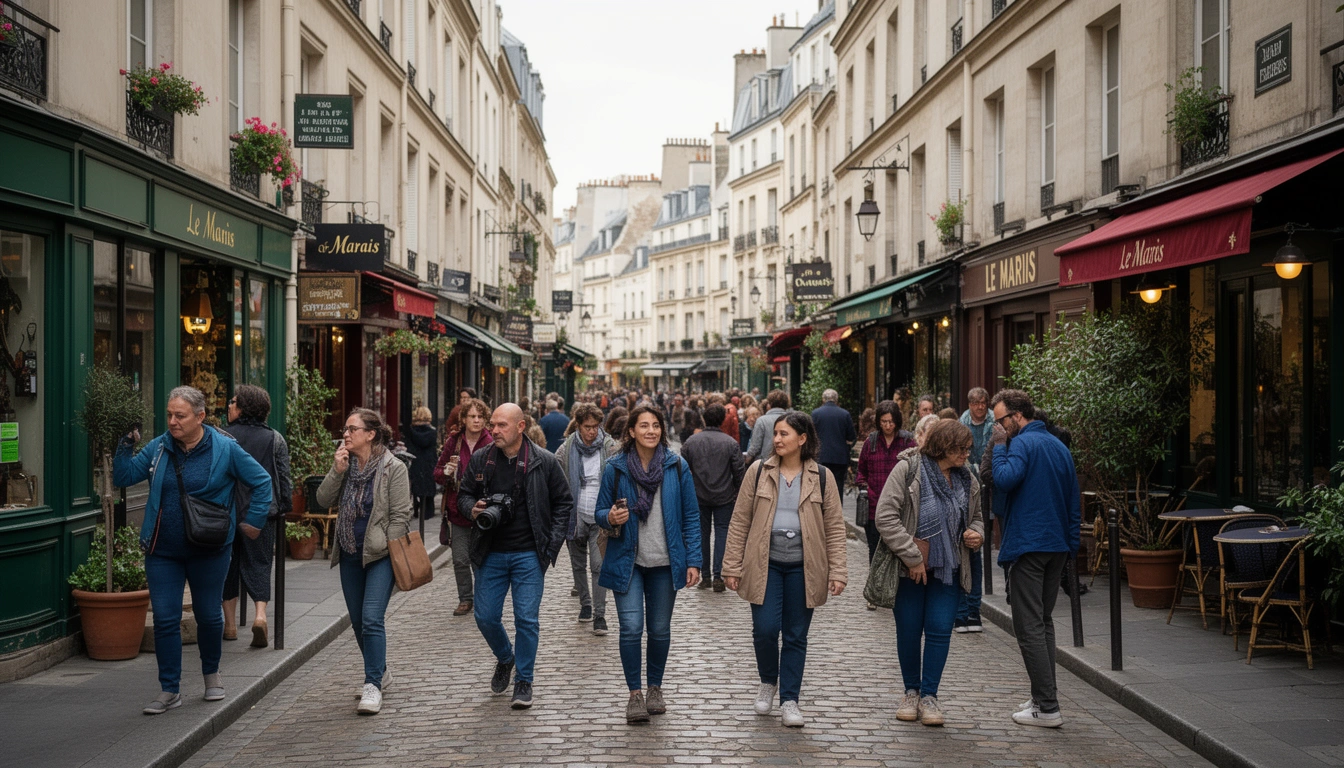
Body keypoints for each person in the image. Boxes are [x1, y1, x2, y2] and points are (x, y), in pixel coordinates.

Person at [115, 386, 273, 715]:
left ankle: (211, 676)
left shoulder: (225, 448)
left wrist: (254, 521)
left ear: (200, 417)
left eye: (180, 416)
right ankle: (169, 689)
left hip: (210, 548)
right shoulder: (160, 447)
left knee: (209, 616)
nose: (172, 421)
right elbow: (124, 475)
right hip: (162, 550)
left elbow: (261, 481)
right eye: (170, 415)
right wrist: (126, 443)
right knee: (166, 618)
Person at [722, 411, 847, 728]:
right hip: (765, 562)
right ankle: (768, 680)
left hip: (804, 566)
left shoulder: (822, 476)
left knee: (795, 635)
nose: (776, 439)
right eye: (775, 433)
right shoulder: (758, 472)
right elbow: (739, 521)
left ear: (802, 439)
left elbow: (834, 527)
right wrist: (732, 566)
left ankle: (790, 699)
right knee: (764, 630)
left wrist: (837, 571)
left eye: (784, 434)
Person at [457, 404, 574, 710]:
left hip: (528, 555)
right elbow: (463, 494)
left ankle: (524, 680)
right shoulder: (483, 459)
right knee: (484, 617)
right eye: (492, 425)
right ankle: (505, 658)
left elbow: (564, 503)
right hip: (490, 552)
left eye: (501, 425)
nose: (493, 430)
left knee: (526, 619)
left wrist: (550, 547)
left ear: (521, 427)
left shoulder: (544, 461)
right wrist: (472, 508)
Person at [595, 405, 702, 723]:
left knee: (658, 630)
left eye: (656, 425)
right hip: (627, 560)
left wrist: (693, 560)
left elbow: (691, 517)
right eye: (644, 425)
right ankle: (634, 694)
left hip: (666, 562)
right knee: (630, 629)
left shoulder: (677, 466)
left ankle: (655, 687)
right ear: (631, 432)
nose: (651, 431)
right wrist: (610, 516)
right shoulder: (615, 468)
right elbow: (599, 511)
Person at [874, 419, 984, 728]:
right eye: (960, 449)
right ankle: (911, 692)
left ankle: (929, 696)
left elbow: (976, 517)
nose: (965, 454)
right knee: (909, 631)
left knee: (938, 630)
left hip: (948, 569)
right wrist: (911, 557)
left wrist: (976, 533)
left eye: (967, 449)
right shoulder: (909, 470)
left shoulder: (967, 478)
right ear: (943, 447)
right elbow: (885, 517)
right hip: (909, 570)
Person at [989, 388, 1080, 729]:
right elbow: (1074, 504)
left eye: (1001, 421)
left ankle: (1047, 705)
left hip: (1030, 545)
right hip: (1056, 546)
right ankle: (1042, 696)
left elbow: (1004, 479)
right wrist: (1072, 549)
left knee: (1029, 627)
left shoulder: (1022, 443)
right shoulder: (1059, 446)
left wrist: (999, 448)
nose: (998, 428)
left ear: (1017, 416)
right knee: (1044, 623)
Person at [315, 408, 411, 716]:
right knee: (357, 621)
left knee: (371, 618)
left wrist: (384, 544)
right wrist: (336, 471)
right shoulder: (346, 466)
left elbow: (400, 516)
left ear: (370, 433)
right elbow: (322, 500)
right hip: (348, 552)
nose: (345, 434)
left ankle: (373, 684)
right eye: (345, 429)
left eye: (352, 429)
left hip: (380, 555)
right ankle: (381, 670)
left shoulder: (393, 467)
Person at [222, 385, 293, 648]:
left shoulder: (222, 437)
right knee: (260, 563)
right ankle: (260, 616)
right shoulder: (274, 438)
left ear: (243, 408)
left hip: (227, 513)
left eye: (233, 402)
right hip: (261, 513)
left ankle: (229, 626)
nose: (228, 406)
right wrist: (284, 504)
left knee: (227, 566)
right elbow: (283, 476)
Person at [555, 403, 620, 636]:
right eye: (587, 427)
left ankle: (599, 615)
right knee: (577, 565)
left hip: (600, 514)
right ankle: (585, 603)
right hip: (574, 514)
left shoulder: (611, 447)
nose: (592, 431)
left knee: (598, 565)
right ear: (578, 426)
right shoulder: (566, 448)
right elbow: (555, 477)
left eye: (595, 426)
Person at [434, 398, 493, 616]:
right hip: (457, 509)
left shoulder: (491, 442)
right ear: (464, 419)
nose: (476, 421)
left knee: (482, 558)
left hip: (483, 509)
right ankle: (465, 598)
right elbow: (437, 473)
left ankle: (482, 598)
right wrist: (447, 472)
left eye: (480, 417)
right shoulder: (454, 442)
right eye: (472, 417)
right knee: (460, 558)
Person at [681, 403, 746, 592]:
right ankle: (719, 575)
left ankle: (706, 575)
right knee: (722, 533)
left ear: (704, 419)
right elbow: (739, 472)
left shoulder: (692, 442)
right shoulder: (730, 443)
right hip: (724, 496)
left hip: (698, 495)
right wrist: (737, 492)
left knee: (702, 534)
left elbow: (682, 469)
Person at [855, 401, 917, 564]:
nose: (888, 426)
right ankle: (876, 587)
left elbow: (916, 471)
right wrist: (865, 488)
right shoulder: (871, 442)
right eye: (884, 422)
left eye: (891, 421)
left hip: (900, 507)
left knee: (899, 551)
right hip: (874, 507)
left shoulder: (907, 442)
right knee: (875, 551)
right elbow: (861, 471)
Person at [954, 387, 995, 633]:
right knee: (965, 554)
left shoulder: (994, 421)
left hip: (989, 486)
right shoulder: (962, 423)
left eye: (984, 403)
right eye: (976, 403)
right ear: (969, 404)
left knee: (977, 548)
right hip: (966, 487)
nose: (981, 407)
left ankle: (972, 612)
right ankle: (963, 612)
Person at [810, 389, 857, 499]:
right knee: (838, 486)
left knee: (820, 486)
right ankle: (836, 511)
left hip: (821, 455)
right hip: (839, 457)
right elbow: (851, 436)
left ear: (823, 399)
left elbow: (811, 435)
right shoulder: (845, 414)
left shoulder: (815, 414)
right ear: (837, 400)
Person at [403, 407, 439, 521]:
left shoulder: (411, 431)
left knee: (417, 484)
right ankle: (429, 510)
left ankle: (417, 508)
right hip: (428, 461)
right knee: (428, 484)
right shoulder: (432, 432)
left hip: (416, 460)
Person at [745, 390, 791, 462]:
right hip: (787, 463)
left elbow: (755, 447)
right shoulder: (792, 420)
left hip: (765, 464)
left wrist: (747, 460)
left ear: (769, 404)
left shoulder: (762, 421)